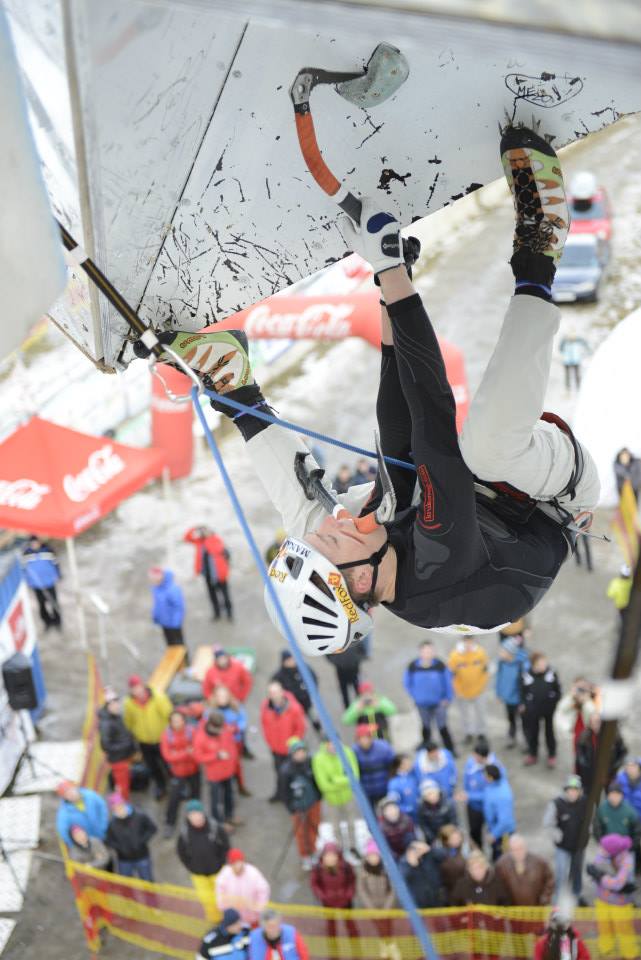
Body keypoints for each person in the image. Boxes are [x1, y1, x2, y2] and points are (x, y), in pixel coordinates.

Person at [172, 129, 600, 667]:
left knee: (326, 516)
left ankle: (235, 388)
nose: (332, 528)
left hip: (465, 510)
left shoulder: (369, 556)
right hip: (548, 501)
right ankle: (540, 244)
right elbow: (433, 420)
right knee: (484, 446)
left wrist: (388, 292)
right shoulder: (435, 566)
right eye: (333, 546)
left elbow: (395, 421)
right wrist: (390, 272)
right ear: (362, 580)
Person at [177, 799, 229, 919]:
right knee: (207, 901)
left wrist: (220, 863)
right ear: (188, 816)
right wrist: (191, 867)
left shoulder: (215, 828)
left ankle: (228, 920)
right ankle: (215, 921)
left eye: (198, 813)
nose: (196, 817)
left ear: (203, 813)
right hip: (198, 875)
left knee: (223, 898)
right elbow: (181, 853)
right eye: (192, 815)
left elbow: (225, 846)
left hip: (217, 872)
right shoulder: (184, 834)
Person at [588, 834, 637, 960]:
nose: (600, 850)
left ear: (613, 851)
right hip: (602, 901)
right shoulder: (605, 854)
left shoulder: (627, 861)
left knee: (624, 932)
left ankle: (630, 955)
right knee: (604, 929)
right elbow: (595, 865)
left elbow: (618, 884)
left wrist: (601, 877)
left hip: (620, 904)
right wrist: (593, 871)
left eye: (603, 848)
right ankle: (606, 953)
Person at [123, 675, 172, 800]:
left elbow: (169, 714)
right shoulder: (129, 704)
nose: (137, 691)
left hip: (162, 739)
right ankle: (161, 786)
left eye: (138, 687)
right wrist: (134, 734)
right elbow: (129, 722)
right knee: (152, 766)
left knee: (168, 762)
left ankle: (174, 783)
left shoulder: (158, 698)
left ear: (143, 685)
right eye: (134, 688)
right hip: (144, 741)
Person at [542, 774, 589, 902]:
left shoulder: (586, 802)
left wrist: (588, 833)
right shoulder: (556, 804)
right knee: (561, 872)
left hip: (579, 846)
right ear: (565, 790)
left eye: (576, 790)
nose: (573, 793)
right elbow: (547, 824)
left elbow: (592, 819)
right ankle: (558, 898)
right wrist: (557, 836)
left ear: (580, 791)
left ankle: (577, 894)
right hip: (563, 847)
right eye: (570, 790)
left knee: (577, 871)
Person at [403, 642, 455, 753]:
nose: (428, 654)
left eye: (430, 651)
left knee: (442, 727)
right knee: (425, 727)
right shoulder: (413, 666)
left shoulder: (440, 666)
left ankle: (450, 749)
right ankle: (426, 748)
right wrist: (415, 696)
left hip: (439, 704)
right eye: (425, 651)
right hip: (421, 704)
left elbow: (448, 683)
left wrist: (448, 698)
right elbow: (407, 683)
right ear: (420, 652)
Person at [279, 739, 322, 871]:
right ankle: (305, 855)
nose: (301, 755)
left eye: (303, 751)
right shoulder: (286, 771)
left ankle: (313, 850)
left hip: (313, 802)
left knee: (314, 828)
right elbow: (283, 791)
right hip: (298, 807)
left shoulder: (310, 763)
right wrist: (291, 808)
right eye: (297, 752)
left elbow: (316, 780)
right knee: (301, 833)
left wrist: (318, 796)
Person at [311, 737, 359, 854]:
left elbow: (354, 777)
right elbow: (323, 785)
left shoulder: (348, 753)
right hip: (331, 800)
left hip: (348, 796)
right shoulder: (318, 759)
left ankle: (353, 847)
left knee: (351, 823)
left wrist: (335, 780)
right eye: (330, 744)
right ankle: (340, 849)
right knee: (335, 826)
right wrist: (344, 781)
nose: (333, 747)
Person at [260, 681, 306, 803]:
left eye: (276, 692)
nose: (274, 695)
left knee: (292, 773)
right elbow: (264, 724)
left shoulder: (294, 709)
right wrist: (270, 741)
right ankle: (280, 793)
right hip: (276, 748)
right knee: (279, 772)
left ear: (282, 692)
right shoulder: (266, 707)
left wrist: (293, 744)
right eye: (271, 693)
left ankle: (292, 794)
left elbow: (300, 728)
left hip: (290, 750)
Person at [194, 710, 239, 829]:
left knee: (229, 795)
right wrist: (216, 756)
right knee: (215, 800)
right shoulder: (200, 737)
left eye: (222, 728)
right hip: (214, 775)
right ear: (211, 725)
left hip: (228, 771)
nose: (221, 731)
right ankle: (218, 823)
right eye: (219, 729)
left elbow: (232, 745)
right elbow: (198, 757)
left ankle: (230, 816)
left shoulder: (225, 729)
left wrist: (233, 763)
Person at [160, 710, 201, 837]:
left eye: (179, 720)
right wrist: (186, 752)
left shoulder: (192, 731)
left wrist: (177, 754)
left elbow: (197, 751)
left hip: (194, 770)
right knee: (174, 798)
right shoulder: (166, 735)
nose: (177, 723)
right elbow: (167, 756)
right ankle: (169, 823)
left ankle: (195, 822)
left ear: (184, 720)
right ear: (170, 723)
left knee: (195, 797)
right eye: (174, 721)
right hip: (178, 772)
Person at [457, 736, 503, 849]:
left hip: (490, 807)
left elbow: (492, 793)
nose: (473, 758)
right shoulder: (470, 763)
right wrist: (465, 793)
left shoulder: (495, 769)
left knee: (493, 834)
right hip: (473, 808)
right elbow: (466, 780)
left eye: (476, 756)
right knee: (474, 832)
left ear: (484, 757)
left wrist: (469, 796)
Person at [519, 651, 561, 768]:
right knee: (533, 732)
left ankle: (551, 755)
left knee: (549, 732)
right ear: (533, 665)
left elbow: (558, 690)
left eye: (544, 663)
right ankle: (533, 754)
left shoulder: (551, 674)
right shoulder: (527, 675)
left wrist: (554, 702)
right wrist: (523, 704)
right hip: (533, 710)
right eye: (540, 663)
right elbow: (522, 691)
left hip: (548, 710)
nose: (544, 665)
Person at [184, 526, 233, 621]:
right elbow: (187, 538)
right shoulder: (199, 542)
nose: (204, 532)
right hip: (207, 574)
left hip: (220, 574)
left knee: (225, 595)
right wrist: (195, 528)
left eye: (206, 530)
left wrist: (208, 538)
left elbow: (217, 551)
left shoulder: (216, 540)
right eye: (203, 531)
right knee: (212, 596)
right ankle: (217, 613)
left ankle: (229, 614)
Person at [105, 791, 157, 880]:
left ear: (124, 803)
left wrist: (142, 841)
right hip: (124, 860)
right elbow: (108, 840)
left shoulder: (140, 816)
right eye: (115, 808)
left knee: (147, 880)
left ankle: (148, 894)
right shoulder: (112, 824)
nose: (119, 810)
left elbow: (152, 829)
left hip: (142, 856)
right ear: (112, 809)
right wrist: (119, 848)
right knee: (126, 883)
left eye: (120, 806)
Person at [447, 635, 489, 742]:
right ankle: (468, 733)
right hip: (462, 692)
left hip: (479, 690)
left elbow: (485, 670)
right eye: (467, 642)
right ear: (462, 641)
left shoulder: (480, 652)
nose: (469, 645)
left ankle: (481, 732)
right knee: (465, 715)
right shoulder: (455, 656)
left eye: (471, 642)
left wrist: (483, 686)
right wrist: (457, 690)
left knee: (481, 713)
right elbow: (451, 675)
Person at [211, 685, 251, 796]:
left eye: (224, 695)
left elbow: (243, 721)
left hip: (235, 742)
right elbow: (207, 726)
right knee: (221, 764)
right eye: (219, 696)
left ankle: (240, 786)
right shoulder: (210, 710)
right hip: (219, 744)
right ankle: (224, 786)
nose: (222, 698)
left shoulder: (237, 707)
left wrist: (236, 728)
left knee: (236, 765)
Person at [98, 689, 136, 801]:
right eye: (112, 704)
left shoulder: (115, 717)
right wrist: (125, 746)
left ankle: (123, 802)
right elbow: (105, 746)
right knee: (122, 785)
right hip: (118, 760)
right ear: (106, 706)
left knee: (124, 782)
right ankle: (122, 805)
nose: (116, 706)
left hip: (123, 757)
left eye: (116, 702)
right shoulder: (106, 723)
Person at [495, 625, 530, 748]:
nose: (500, 653)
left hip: (519, 701)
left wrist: (523, 702)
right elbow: (499, 679)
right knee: (511, 720)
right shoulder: (502, 662)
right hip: (508, 699)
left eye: (503, 651)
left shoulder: (522, 665)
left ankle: (527, 741)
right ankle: (512, 737)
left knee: (525, 722)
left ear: (510, 653)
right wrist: (499, 693)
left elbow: (526, 686)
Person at [215, 848, 271, 926]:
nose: (237, 866)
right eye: (234, 863)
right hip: (234, 920)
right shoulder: (225, 874)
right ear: (230, 864)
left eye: (239, 862)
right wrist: (224, 908)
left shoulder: (253, 873)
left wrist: (258, 908)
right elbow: (220, 892)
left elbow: (264, 890)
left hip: (252, 918)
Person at [495, 834, 554, 906]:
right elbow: (497, 886)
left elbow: (549, 880)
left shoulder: (539, 862)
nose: (518, 852)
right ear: (509, 851)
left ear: (525, 847)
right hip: (513, 911)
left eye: (520, 848)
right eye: (514, 849)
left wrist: (545, 898)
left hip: (535, 909)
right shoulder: (502, 865)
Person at [271, 650, 321, 735]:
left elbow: (314, 678)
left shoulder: (303, 667)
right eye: (288, 660)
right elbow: (274, 687)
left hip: (307, 702)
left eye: (292, 659)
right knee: (299, 723)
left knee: (314, 717)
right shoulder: (279, 676)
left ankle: (319, 730)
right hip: (293, 706)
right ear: (284, 662)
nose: (292, 662)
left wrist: (312, 692)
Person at [575, 712, 626, 794]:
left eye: (598, 722)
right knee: (588, 795)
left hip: (608, 773)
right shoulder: (584, 736)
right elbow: (579, 755)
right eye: (593, 722)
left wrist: (614, 767)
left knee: (610, 794)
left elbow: (623, 752)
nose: (595, 725)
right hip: (590, 774)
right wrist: (585, 766)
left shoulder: (614, 735)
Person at [555, 677, 598, 770]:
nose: (581, 691)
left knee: (591, 752)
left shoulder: (593, 699)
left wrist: (586, 701)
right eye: (578, 688)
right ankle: (578, 770)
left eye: (583, 688)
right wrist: (572, 697)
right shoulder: (571, 698)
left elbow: (593, 715)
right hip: (577, 731)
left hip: (589, 731)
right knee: (578, 752)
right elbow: (561, 709)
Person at [21, 534, 62, 630]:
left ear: (39, 542)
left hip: (49, 582)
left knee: (54, 602)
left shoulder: (48, 550)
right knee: (42, 605)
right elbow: (24, 569)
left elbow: (56, 563)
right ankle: (47, 622)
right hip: (37, 585)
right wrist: (28, 581)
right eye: (32, 543)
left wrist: (58, 575)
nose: (34, 545)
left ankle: (57, 622)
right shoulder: (26, 554)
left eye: (35, 543)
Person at [55, 781, 108, 849]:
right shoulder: (64, 813)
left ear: (75, 788)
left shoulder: (90, 795)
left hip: (104, 833)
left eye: (71, 790)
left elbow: (102, 807)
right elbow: (63, 832)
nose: (71, 794)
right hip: (90, 844)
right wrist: (76, 845)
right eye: (66, 794)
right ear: (64, 797)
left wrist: (103, 825)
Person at [353, 723, 395, 806]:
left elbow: (393, 765)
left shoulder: (383, 748)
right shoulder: (354, 752)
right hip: (367, 791)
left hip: (384, 787)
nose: (365, 741)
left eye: (367, 737)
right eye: (361, 738)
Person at [483, 764, 515, 862]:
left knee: (502, 857)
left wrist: (494, 834)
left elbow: (504, 821)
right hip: (494, 827)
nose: (483, 777)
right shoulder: (495, 784)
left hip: (503, 833)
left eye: (485, 775)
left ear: (491, 778)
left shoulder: (502, 796)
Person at [399, 840, 443, 909]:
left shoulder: (427, 857)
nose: (419, 852)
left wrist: (429, 849)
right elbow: (402, 878)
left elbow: (443, 855)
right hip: (417, 904)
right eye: (417, 850)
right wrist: (411, 864)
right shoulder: (403, 863)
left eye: (420, 850)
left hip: (434, 899)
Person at [310, 841, 356, 908]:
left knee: (348, 917)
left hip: (345, 901)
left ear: (338, 856)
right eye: (327, 855)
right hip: (327, 902)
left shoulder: (346, 867)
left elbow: (352, 881)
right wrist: (321, 895)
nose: (330, 858)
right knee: (330, 918)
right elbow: (314, 884)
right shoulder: (318, 869)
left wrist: (349, 894)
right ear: (323, 857)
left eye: (333, 855)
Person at [148, 566, 185, 646]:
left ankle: (185, 658)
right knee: (170, 644)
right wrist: (156, 616)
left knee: (179, 644)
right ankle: (174, 658)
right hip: (164, 623)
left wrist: (176, 622)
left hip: (174, 623)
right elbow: (157, 605)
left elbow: (178, 607)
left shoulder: (172, 589)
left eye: (154, 579)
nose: (153, 581)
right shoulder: (156, 589)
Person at [356, 839, 395, 909]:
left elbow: (392, 890)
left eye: (375, 855)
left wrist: (387, 907)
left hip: (387, 908)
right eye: (370, 855)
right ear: (367, 857)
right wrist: (371, 907)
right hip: (371, 908)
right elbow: (362, 890)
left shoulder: (386, 870)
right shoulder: (363, 872)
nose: (373, 858)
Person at [416, 779, 457, 845]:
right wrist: (433, 839)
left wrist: (447, 836)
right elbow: (423, 825)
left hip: (448, 834)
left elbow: (453, 821)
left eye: (433, 793)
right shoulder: (421, 808)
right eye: (428, 795)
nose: (432, 797)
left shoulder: (449, 804)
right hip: (433, 836)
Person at [327, 642, 366, 710]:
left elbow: (362, 651)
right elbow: (328, 653)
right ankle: (348, 710)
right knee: (344, 692)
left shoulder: (354, 639)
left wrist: (356, 660)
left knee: (358, 690)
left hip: (354, 670)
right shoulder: (336, 641)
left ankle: (360, 709)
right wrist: (337, 662)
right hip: (342, 671)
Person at [437, 825, 468, 905]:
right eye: (454, 839)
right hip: (454, 891)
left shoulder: (465, 846)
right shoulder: (443, 857)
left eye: (458, 837)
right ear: (446, 841)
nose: (458, 840)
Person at [387, 754, 419, 820]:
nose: (410, 764)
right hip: (409, 819)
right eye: (407, 763)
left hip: (421, 814)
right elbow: (394, 803)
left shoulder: (412, 775)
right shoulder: (394, 783)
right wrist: (409, 809)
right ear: (401, 766)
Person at [616, 757, 641, 823]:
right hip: (624, 819)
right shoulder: (619, 780)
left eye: (633, 766)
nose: (630, 768)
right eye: (628, 766)